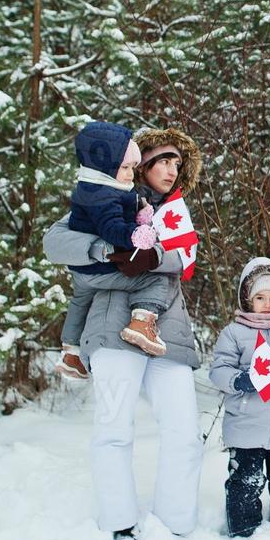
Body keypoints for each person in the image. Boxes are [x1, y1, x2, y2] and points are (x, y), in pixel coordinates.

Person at [41, 128, 205, 540]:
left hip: (169, 331)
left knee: (184, 432)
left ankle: (176, 523)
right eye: (161, 162)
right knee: (114, 429)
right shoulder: (103, 197)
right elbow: (56, 242)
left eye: (176, 164)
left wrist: (150, 257)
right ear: (138, 165)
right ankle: (118, 522)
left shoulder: (176, 212)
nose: (170, 171)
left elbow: (183, 260)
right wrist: (106, 251)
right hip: (112, 326)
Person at [55, 121, 169, 379]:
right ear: (105, 167)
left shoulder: (94, 187)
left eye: (132, 168)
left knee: (78, 304)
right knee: (155, 279)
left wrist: (139, 215)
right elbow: (110, 227)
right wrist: (135, 235)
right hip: (100, 268)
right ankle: (142, 322)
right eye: (125, 168)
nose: (130, 174)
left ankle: (71, 353)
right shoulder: (103, 195)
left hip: (82, 270)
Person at [209, 258, 270, 537]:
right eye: (260, 297)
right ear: (247, 298)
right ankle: (243, 526)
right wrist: (239, 380)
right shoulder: (234, 333)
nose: (267, 303)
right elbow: (218, 370)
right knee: (246, 478)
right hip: (246, 422)